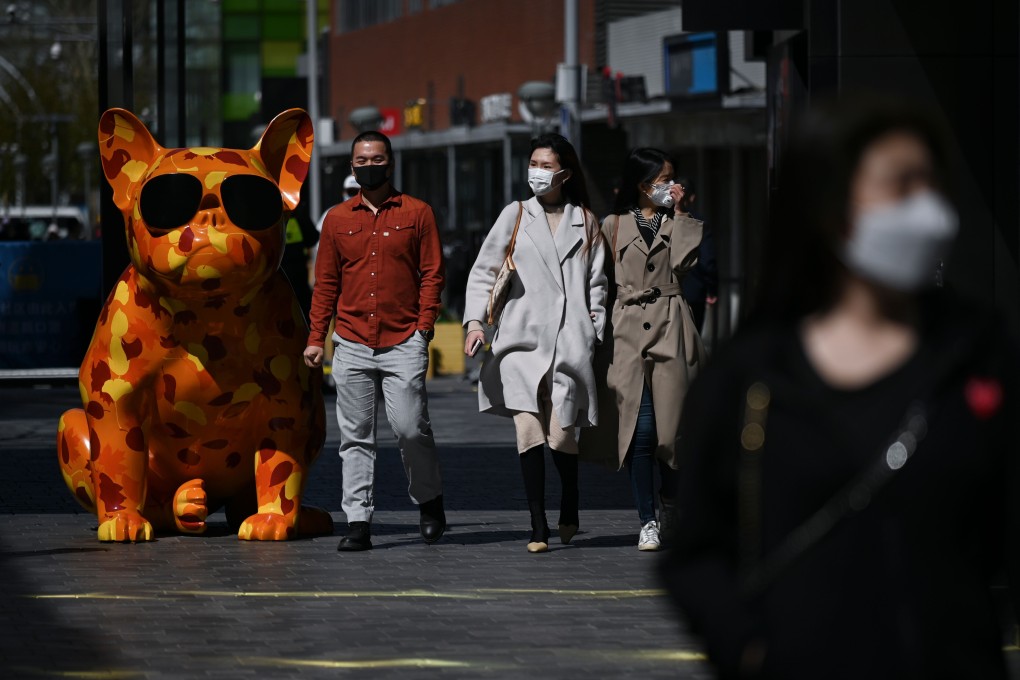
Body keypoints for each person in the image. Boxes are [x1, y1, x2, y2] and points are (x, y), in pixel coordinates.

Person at [658, 97, 1020, 678]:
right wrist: (751, 650)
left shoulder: (978, 357)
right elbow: (696, 555)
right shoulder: (750, 376)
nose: (926, 212)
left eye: (932, 185)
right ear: (828, 206)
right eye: (901, 187)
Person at [462, 133, 607, 553]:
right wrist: (475, 324)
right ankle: (537, 524)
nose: (538, 173)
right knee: (528, 432)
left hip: (569, 341)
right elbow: (484, 270)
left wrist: (593, 329)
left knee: (562, 436)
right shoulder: (515, 214)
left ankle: (570, 502)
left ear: (565, 171)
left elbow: (598, 283)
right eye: (534, 164)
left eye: (546, 165)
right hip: (520, 340)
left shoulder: (586, 220)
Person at [303, 130, 446, 552]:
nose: (369, 166)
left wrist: (423, 328)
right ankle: (358, 521)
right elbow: (325, 283)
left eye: (376, 159)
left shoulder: (418, 213)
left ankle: (429, 499)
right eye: (361, 161)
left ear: (391, 163)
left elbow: (433, 275)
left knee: (409, 428)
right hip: (351, 343)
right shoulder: (337, 220)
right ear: (351, 167)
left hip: (403, 340)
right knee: (355, 437)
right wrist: (316, 338)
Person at [579, 148, 704, 551]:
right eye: (663, 179)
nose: (670, 185)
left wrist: (681, 213)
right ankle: (647, 519)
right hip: (626, 329)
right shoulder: (613, 224)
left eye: (673, 178)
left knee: (673, 435)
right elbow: (597, 278)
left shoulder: (678, 221)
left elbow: (686, 263)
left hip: (671, 324)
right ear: (642, 184)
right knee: (641, 432)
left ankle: (671, 499)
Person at [677, 178, 718, 334]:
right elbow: (708, 260)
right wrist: (712, 289)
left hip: (666, 295)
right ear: (692, 197)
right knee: (692, 341)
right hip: (694, 292)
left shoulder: (664, 221)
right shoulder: (699, 223)